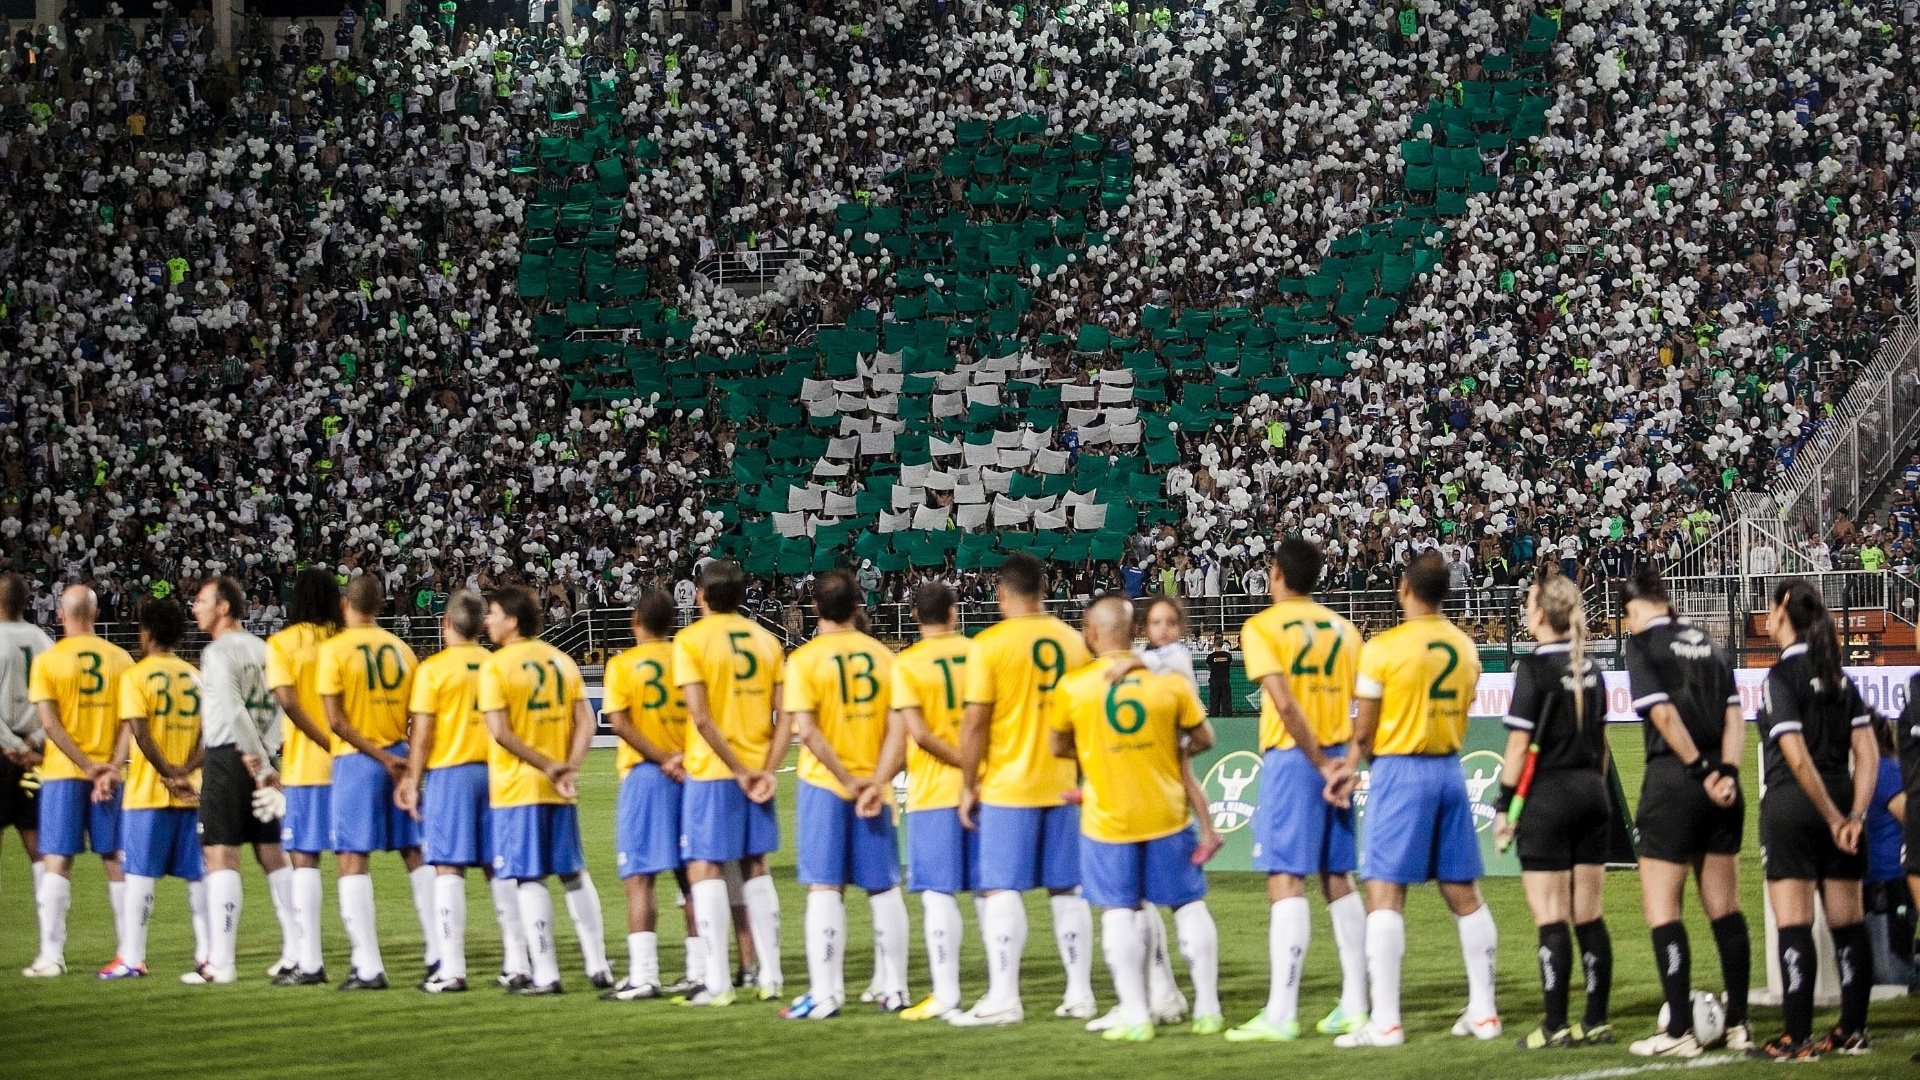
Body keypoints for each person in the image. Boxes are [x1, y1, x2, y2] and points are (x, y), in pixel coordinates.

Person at [1335, 552, 1499, 1048]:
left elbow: (1363, 733)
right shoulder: (1466, 647)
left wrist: (1348, 766)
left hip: (1399, 771)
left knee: (1385, 893)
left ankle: (1386, 1022)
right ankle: (1485, 1013)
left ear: (1404, 589)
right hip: (1449, 770)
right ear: (1446, 593)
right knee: (1464, 892)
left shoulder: (1383, 648)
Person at [1051, 596, 1220, 1042]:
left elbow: (1057, 746)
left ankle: (1137, 1016)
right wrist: (1164, 754)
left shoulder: (1074, 687)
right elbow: (1204, 738)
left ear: (1090, 633)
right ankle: (1208, 1009)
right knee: (1188, 905)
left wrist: (1099, 753)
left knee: (1119, 912)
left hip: (1109, 818)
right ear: (1135, 632)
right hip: (1167, 811)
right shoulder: (1171, 682)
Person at [1227, 538, 1369, 1043]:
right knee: (1337, 877)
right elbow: (1367, 705)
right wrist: (1344, 764)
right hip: (1337, 757)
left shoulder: (1262, 626)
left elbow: (1285, 706)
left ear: (1277, 574)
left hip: (1295, 758)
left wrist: (1318, 763)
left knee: (1286, 879)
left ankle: (1282, 1012)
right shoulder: (1346, 630)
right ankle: (1356, 1005)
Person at [952, 551, 1096, 1027]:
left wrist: (967, 785)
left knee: (1001, 888)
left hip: (1007, 786)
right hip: (1062, 784)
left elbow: (975, 724)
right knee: (1067, 890)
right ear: (1044, 590)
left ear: (1000, 595)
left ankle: (1004, 997)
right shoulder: (1074, 642)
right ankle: (1080, 994)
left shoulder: (989, 645)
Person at [1620, 566, 1752, 1057]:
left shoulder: (1642, 645)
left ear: (1634, 608)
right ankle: (1738, 1023)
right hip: (1724, 785)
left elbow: (1662, 713)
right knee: (1725, 907)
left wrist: (1697, 769)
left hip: (1675, 780)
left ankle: (1678, 1031)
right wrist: (1726, 773)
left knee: (1663, 908)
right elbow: (1735, 715)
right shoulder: (1710, 643)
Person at [1748, 580, 1878, 1060]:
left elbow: (1797, 758)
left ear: (1783, 612)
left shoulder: (1780, 678)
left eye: (1769, 607)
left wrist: (1830, 816)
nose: (1765, 616)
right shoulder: (1840, 678)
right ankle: (1852, 1029)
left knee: (1794, 924)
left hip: (1794, 807)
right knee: (1849, 924)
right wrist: (1852, 816)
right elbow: (1868, 754)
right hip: (1842, 801)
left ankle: (1796, 1037)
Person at [1491, 574, 1615, 1049]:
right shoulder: (1592, 667)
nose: (1525, 610)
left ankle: (1555, 1026)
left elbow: (1518, 746)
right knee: (1589, 916)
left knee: (1550, 916)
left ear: (1541, 614)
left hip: (1547, 799)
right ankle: (1596, 1021)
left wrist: (1504, 807)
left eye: (1528, 604)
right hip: (1592, 795)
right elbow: (1602, 744)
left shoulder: (1533, 669)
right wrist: (1593, 789)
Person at [780, 569, 908, 1020]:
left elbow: (809, 733)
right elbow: (900, 731)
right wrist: (876, 780)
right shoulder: (886, 658)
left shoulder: (804, 661)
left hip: (825, 786)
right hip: (876, 786)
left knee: (824, 888)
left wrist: (848, 781)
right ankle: (896, 989)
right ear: (858, 606)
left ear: (815, 607)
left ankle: (826, 994)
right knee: (883, 889)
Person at [397, 588, 531, 993]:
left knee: (448, 868)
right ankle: (518, 963)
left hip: (450, 775)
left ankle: (452, 968)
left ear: (445, 624)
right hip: (496, 775)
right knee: (498, 867)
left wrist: (412, 779)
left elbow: (422, 734)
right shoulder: (497, 663)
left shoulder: (433, 670)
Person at [671, 559, 788, 1007]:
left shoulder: (691, 641)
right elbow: (787, 716)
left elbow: (701, 718)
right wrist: (766, 769)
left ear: (701, 595)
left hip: (714, 771)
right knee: (756, 867)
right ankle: (771, 977)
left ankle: (718, 982)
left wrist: (737, 769)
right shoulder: (767, 640)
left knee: (705, 867)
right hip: (758, 770)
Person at [480, 584, 606, 996]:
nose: (487, 620)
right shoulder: (561, 660)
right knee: (573, 873)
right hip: (558, 787)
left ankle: (547, 973)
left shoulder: (496, 667)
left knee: (529, 877)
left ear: (512, 621)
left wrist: (547, 766)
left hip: (519, 787)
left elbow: (501, 732)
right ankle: (598, 965)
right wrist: (569, 767)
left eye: (493, 613)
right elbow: (586, 721)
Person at [316, 575, 428, 991]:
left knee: (351, 858)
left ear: (345, 605)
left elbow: (335, 722)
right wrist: (406, 763)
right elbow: (419, 718)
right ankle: (440, 955)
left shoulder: (334, 650)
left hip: (357, 762)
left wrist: (379, 757)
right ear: (381, 606)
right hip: (399, 756)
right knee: (415, 853)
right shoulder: (403, 650)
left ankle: (368, 965)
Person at [187, 576, 299, 986]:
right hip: (262, 755)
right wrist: (267, 757)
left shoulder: (217, 652)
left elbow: (234, 712)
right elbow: (280, 707)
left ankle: (221, 962)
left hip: (229, 757)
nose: (195, 607)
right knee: (272, 853)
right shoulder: (263, 649)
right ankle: (296, 951)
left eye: (202, 600)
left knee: (220, 855)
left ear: (223, 608)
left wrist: (258, 764)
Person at [23, 584, 133, 978]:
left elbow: (49, 725)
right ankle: (130, 952)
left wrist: (86, 767)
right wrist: (111, 767)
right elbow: (131, 722)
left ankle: (51, 956)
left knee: (57, 860)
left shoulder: (48, 661)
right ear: (96, 613)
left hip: (64, 774)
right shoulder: (121, 659)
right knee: (115, 859)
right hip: (111, 776)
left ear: (60, 614)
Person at [601, 589, 701, 1000]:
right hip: (690, 774)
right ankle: (699, 970)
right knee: (691, 878)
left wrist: (661, 758)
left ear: (635, 621)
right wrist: (681, 759)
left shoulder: (622, 665)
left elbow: (619, 723)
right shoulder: (688, 659)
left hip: (647, 775)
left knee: (639, 878)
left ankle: (644, 975)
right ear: (672, 623)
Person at [104, 598, 208, 980]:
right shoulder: (195, 676)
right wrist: (186, 772)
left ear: (146, 633)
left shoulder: (137, 676)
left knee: (139, 875)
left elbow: (140, 731)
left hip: (149, 792)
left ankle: (132, 958)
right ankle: (207, 955)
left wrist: (167, 773)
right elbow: (210, 733)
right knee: (198, 876)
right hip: (192, 792)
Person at [891, 581, 977, 1022]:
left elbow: (919, 735)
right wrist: (974, 766)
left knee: (938, 895)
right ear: (953, 611)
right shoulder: (980, 653)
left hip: (933, 791)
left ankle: (946, 993)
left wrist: (875, 780)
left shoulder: (907, 664)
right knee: (990, 893)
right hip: (983, 786)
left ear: (914, 616)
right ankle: (1001, 991)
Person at [265, 568, 343, 985]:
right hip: (353, 764)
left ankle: (309, 960)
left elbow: (289, 703)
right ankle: (370, 960)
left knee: (305, 859)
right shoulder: (347, 640)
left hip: (308, 766)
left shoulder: (283, 643)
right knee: (354, 860)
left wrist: (323, 740)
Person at [0, 574, 54, 910]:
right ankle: (50, 933)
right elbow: (58, 705)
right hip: (36, 753)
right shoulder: (44, 640)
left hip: (3, 749)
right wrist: (34, 741)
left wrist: (14, 746)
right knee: (37, 841)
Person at [1205, 639, 1233, 719]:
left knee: (1214, 700)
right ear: (1222, 645)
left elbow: (1207, 665)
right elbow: (1230, 663)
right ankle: (1228, 718)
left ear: (1214, 645)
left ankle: (1214, 717)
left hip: (1214, 681)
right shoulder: (1228, 655)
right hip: (1225, 680)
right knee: (1226, 700)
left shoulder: (1211, 656)